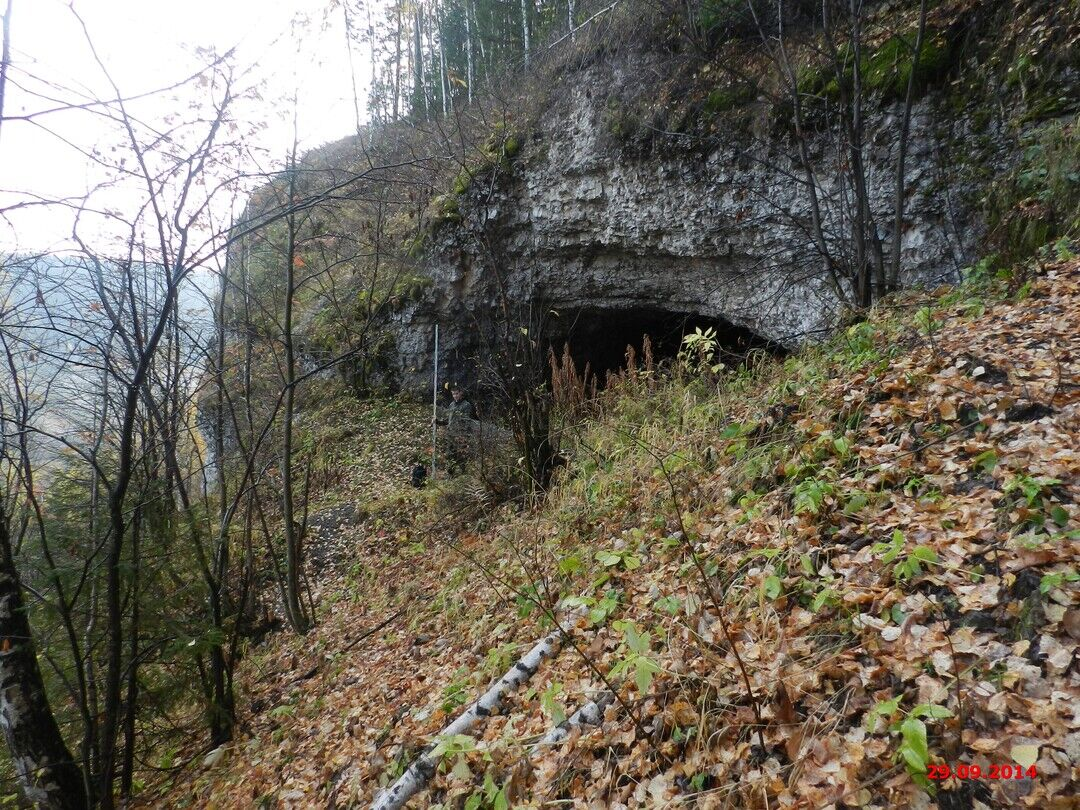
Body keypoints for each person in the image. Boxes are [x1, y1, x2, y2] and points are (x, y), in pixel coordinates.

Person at [433, 382, 477, 475]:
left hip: (461, 434)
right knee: (449, 455)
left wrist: (462, 434)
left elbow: (466, 421)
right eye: (453, 394)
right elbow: (448, 420)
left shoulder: (466, 405)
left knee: (461, 455)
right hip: (451, 434)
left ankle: (463, 475)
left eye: (456, 393)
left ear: (461, 393)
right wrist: (438, 421)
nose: (455, 396)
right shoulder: (452, 405)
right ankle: (450, 474)